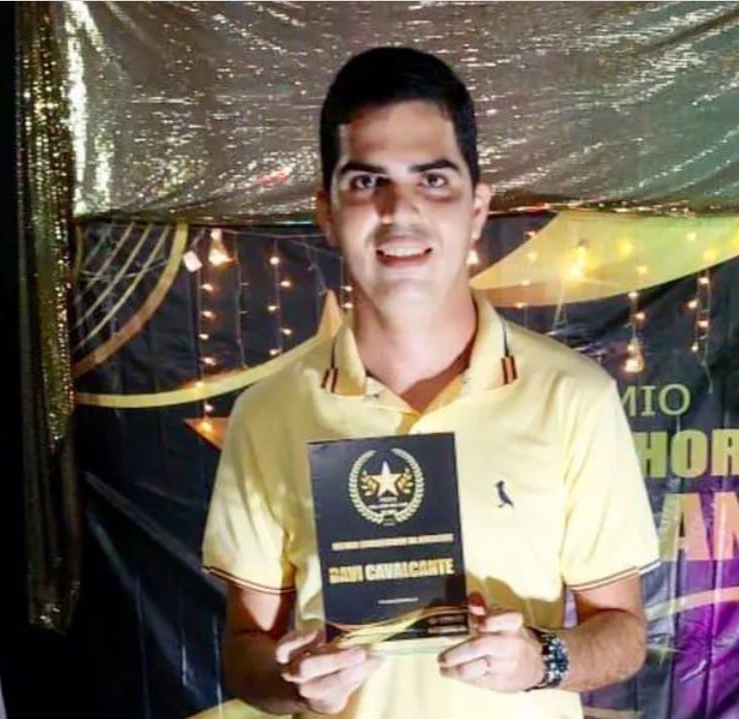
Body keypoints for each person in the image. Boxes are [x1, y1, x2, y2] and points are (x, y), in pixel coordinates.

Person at [200, 47, 659, 719]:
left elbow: (622, 632)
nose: (399, 210)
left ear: (477, 206)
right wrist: (291, 680)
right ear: (326, 212)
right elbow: (245, 650)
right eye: (366, 182)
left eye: (433, 179)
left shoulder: (573, 396)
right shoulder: (269, 412)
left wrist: (541, 659)